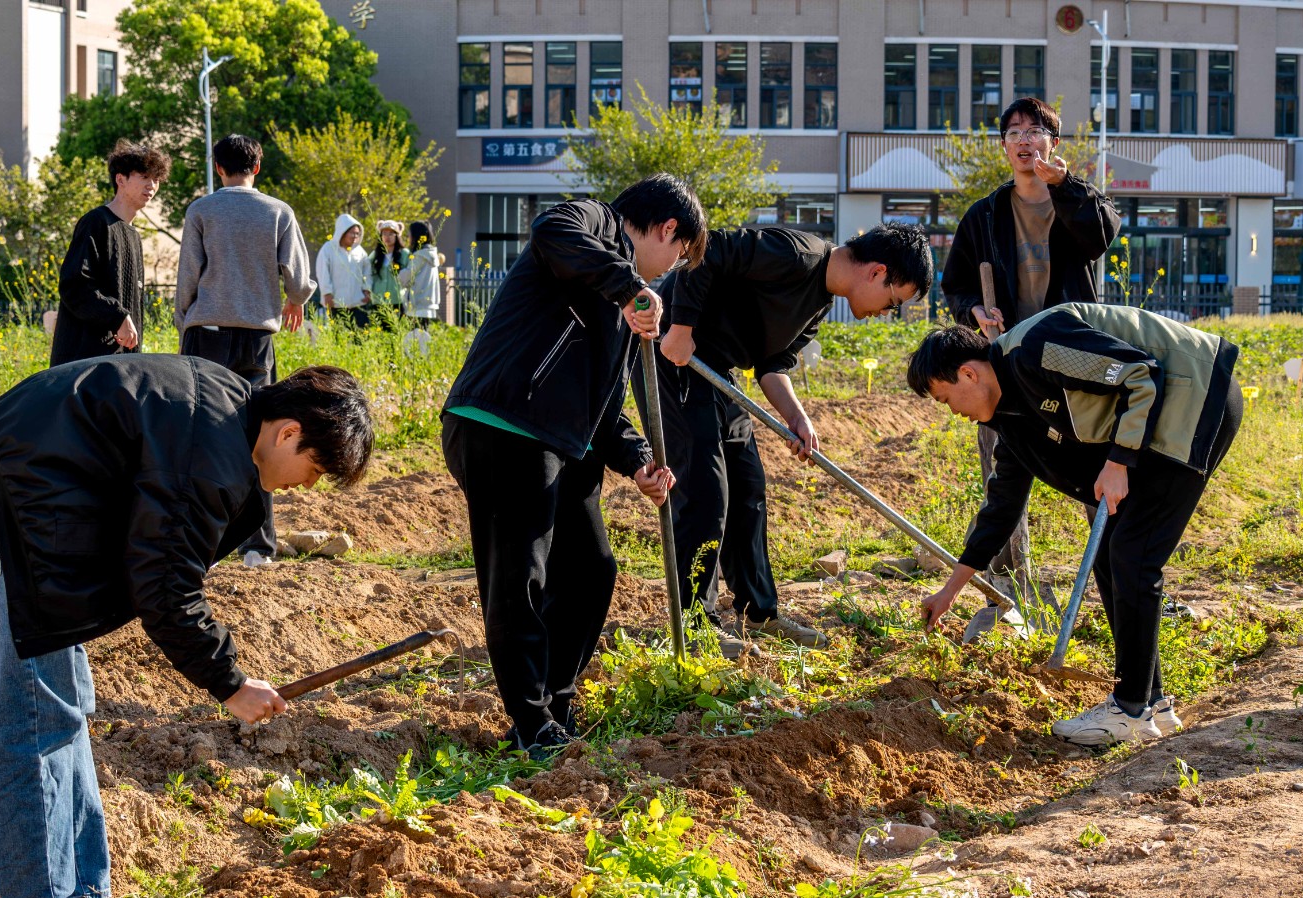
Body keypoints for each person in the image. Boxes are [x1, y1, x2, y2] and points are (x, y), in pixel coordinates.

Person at [0, 358, 373, 895]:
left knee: (63, 713)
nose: (306, 488)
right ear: (289, 433)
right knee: (28, 727)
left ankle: (82, 889)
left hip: (31, 504)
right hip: (5, 512)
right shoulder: (209, 450)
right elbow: (165, 589)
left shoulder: (227, 414)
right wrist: (231, 684)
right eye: (313, 471)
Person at [440, 173, 706, 756]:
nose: (667, 271)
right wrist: (630, 286)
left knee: (590, 570)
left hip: (560, 441)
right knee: (521, 579)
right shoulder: (592, 223)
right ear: (667, 229)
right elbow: (550, 231)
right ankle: (531, 724)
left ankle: (554, 706)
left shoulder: (621, 308)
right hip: (501, 423)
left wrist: (638, 461)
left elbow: (603, 409)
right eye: (677, 255)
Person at [908, 304, 1242, 746]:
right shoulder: (1012, 420)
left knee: (1132, 557)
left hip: (1195, 396)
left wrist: (1120, 461)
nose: (952, 411)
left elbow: (1141, 372)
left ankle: (1129, 708)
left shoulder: (1036, 347)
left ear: (968, 374)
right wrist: (950, 591)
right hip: (1168, 415)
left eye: (946, 398)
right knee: (1111, 556)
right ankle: (1151, 702)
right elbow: (1000, 510)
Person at [653, 223, 933, 658]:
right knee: (707, 493)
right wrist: (682, 327)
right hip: (676, 357)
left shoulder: (818, 303)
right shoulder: (795, 253)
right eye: (893, 302)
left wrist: (797, 418)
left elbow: (771, 364)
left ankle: (759, 615)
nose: (885, 312)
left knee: (748, 490)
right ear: (877, 272)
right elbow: (707, 249)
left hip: (718, 372)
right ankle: (694, 627)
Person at [940, 96, 1121, 637]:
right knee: (1005, 475)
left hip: (1075, 360)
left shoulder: (1077, 201)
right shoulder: (985, 215)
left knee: (1094, 468)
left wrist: (1067, 186)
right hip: (1008, 367)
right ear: (1003, 147)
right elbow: (956, 285)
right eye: (1014, 131)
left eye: (1036, 130)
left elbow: (1100, 235)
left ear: (1053, 145)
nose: (1024, 140)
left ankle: (1114, 576)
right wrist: (974, 310)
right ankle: (1008, 584)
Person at [174, 134, 318, 567]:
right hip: (257, 338)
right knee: (261, 437)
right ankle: (257, 546)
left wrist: (186, 323)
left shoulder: (201, 210)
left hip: (208, 334)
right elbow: (298, 278)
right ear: (257, 167)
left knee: (204, 438)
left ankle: (205, 543)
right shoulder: (277, 211)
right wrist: (297, 298)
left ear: (218, 168)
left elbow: (188, 278)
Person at [51, 139, 171, 366]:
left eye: (156, 179)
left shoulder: (133, 235)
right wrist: (117, 316)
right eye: (144, 177)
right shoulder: (96, 222)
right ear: (120, 179)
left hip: (119, 364)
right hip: (85, 364)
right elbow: (74, 285)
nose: (152, 186)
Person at [315, 214, 370, 326]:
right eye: (352, 233)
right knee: (339, 338)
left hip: (358, 303)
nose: (355, 236)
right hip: (336, 303)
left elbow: (367, 272)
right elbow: (323, 273)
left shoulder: (360, 251)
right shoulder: (328, 249)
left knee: (361, 337)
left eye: (357, 233)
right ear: (342, 232)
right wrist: (327, 293)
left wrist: (367, 290)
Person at [397, 220, 443, 325]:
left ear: (416, 236)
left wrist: (399, 271)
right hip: (427, 304)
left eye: (410, 234)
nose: (408, 237)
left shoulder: (419, 256)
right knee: (423, 336)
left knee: (416, 338)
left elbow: (406, 277)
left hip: (418, 304)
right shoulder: (430, 254)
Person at [368, 220, 410, 326]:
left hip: (397, 299)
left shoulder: (405, 254)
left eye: (391, 234)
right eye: (384, 234)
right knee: (380, 332)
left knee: (396, 330)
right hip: (379, 300)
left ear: (397, 235)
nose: (387, 237)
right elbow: (367, 274)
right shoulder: (375, 255)